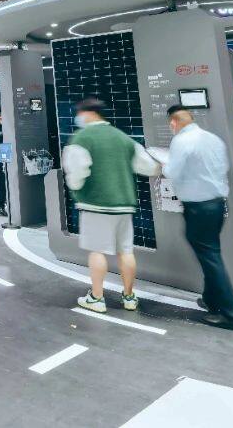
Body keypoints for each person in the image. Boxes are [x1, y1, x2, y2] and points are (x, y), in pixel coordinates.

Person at [63, 98, 159, 313]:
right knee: (126, 251)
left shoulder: (82, 138)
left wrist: (77, 190)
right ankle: (129, 297)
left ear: (88, 113)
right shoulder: (123, 138)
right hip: (124, 204)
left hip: (96, 203)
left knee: (97, 251)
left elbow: (76, 173)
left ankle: (97, 298)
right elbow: (149, 167)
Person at [163, 106, 233, 331]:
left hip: (198, 208)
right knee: (210, 253)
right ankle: (211, 300)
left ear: (173, 122)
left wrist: (164, 164)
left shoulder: (181, 141)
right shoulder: (213, 139)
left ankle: (230, 314)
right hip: (217, 204)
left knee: (211, 258)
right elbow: (222, 167)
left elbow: (172, 172)